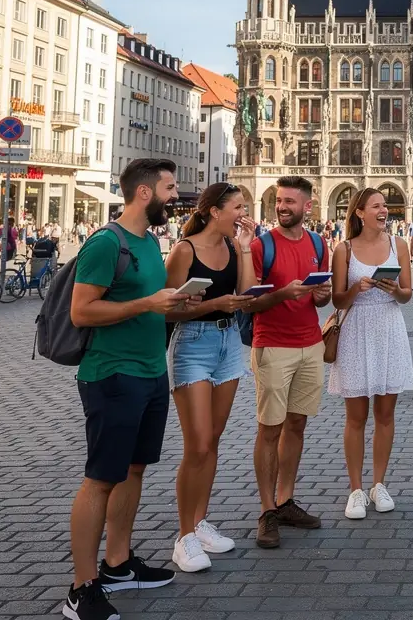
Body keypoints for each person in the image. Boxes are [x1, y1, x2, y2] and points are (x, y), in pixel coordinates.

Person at [66, 158, 194, 620]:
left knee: (134, 469)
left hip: (150, 372)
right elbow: (82, 312)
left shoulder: (149, 242)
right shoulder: (107, 243)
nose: (175, 195)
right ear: (145, 193)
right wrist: (148, 301)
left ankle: (117, 563)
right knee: (101, 479)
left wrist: (179, 303)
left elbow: (150, 309)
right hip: (113, 375)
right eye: (169, 187)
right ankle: (81, 588)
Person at [163, 183, 258, 573]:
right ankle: (183, 537)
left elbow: (248, 295)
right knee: (198, 443)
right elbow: (165, 310)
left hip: (229, 343)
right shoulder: (184, 251)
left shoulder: (235, 248)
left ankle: (199, 523)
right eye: (237, 207)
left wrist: (248, 247)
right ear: (213, 211)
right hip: (193, 345)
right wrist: (215, 304)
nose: (243, 213)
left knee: (214, 439)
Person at [246, 176, 332, 550]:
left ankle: (285, 499)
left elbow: (320, 302)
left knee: (296, 425)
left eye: (289, 202)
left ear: (307, 207)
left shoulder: (318, 243)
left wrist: (321, 295)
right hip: (272, 346)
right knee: (269, 429)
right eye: (279, 201)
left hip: (311, 343)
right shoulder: (259, 246)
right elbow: (249, 302)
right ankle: (267, 511)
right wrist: (283, 293)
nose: (282, 207)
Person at [329, 189, 413, 519]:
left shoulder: (400, 245)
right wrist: (356, 288)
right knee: (356, 417)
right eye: (376, 206)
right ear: (359, 213)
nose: (384, 210)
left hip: (389, 328)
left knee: (386, 414)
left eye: (385, 206)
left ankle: (379, 485)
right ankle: (355, 490)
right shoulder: (344, 250)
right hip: (355, 331)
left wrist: (395, 290)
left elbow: (406, 295)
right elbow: (337, 300)